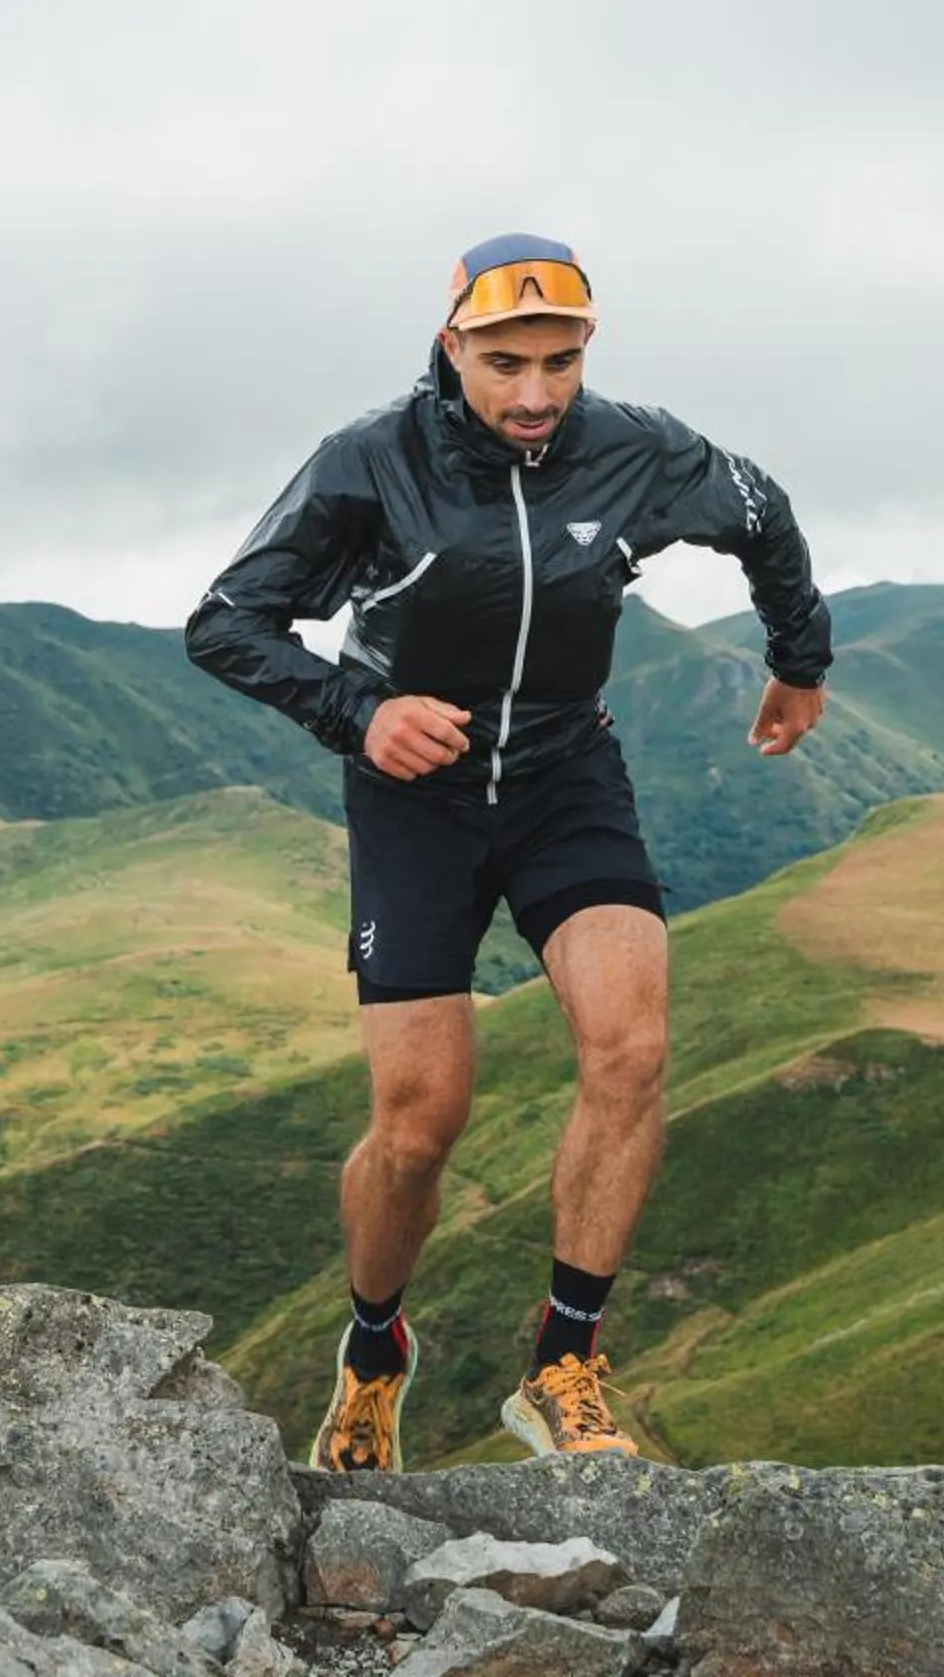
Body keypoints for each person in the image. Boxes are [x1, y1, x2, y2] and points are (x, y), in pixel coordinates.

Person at [184, 232, 832, 1471]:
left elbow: (765, 515)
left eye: (559, 360)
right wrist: (357, 711)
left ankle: (565, 1360)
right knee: (421, 1121)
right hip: (414, 795)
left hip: (561, 773)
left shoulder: (637, 446)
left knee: (632, 1045)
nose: (534, 392)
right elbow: (225, 621)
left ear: (588, 350)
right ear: (452, 347)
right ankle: (374, 1348)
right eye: (504, 362)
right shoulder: (369, 463)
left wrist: (800, 660)